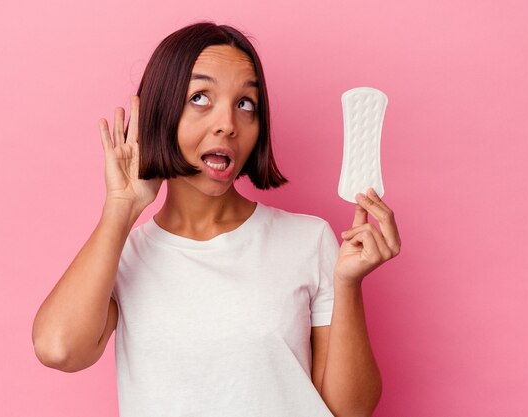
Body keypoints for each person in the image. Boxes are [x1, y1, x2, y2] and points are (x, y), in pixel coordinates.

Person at [32, 22, 401, 417]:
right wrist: (121, 208)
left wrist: (348, 283)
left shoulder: (309, 240)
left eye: (245, 104)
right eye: (201, 97)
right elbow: (59, 349)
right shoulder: (120, 257)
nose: (228, 122)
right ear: (161, 113)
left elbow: (351, 411)